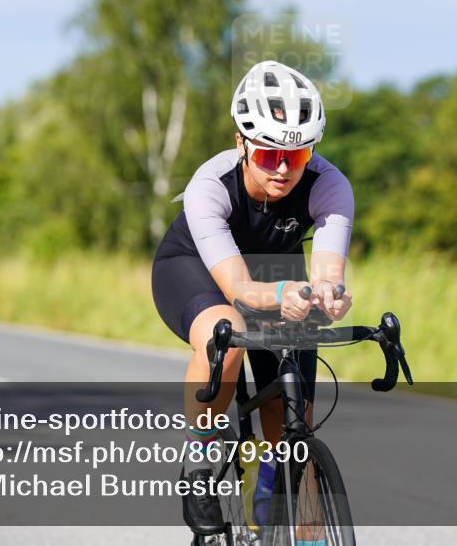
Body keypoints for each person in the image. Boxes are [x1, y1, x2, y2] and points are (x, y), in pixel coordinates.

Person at [151, 61, 355, 536]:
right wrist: (284, 292)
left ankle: (270, 501)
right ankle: (198, 464)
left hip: (277, 272)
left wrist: (330, 294)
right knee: (226, 339)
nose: (283, 169)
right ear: (242, 142)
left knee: (292, 428)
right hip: (199, 269)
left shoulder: (331, 186)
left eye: (297, 155)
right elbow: (240, 290)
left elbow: (327, 270)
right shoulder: (210, 187)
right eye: (267, 155)